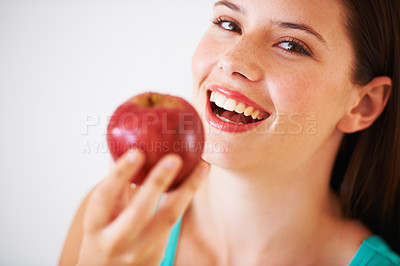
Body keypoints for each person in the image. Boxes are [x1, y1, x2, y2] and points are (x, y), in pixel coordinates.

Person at [59, 0, 400, 265]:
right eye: (229, 23)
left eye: (292, 45)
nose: (232, 59)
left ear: (363, 105)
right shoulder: (115, 225)